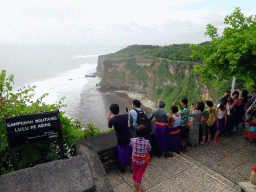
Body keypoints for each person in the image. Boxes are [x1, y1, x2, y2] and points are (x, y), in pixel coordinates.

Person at [107, 104, 132, 173]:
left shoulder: (112, 120)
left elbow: (109, 126)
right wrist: (127, 111)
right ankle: (132, 165)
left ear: (111, 112)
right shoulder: (126, 116)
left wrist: (108, 116)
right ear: (118, 109)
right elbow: (129, 116)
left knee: (121, 153)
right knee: (129, 151)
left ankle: (122, 168)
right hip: (128, 137)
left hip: (120, 138)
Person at [130, 125, 151, 192]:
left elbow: (130, 145)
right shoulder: (146, 142)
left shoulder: (132, 140)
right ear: (144, 134)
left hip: (134, 160)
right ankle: (137, 190)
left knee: (135, 171)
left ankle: (135, 181)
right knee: (139, 175)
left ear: (136, 133)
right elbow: (149, 149)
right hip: (143, 162)